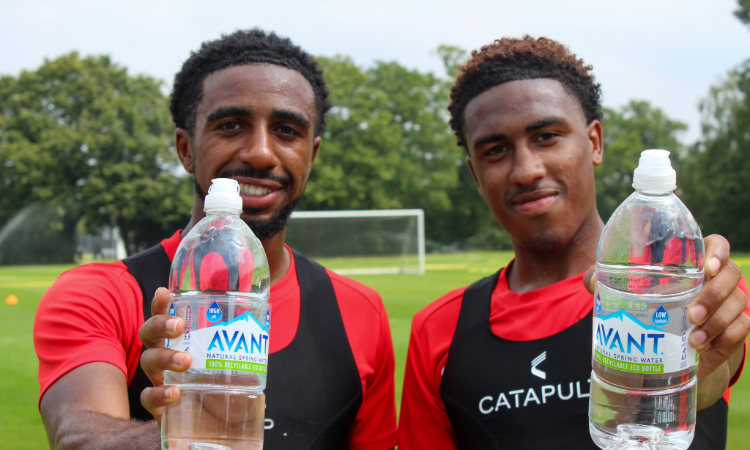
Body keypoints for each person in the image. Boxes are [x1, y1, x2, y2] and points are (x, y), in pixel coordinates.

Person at [34, 29, 398, 450]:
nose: (261, 153)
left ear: (311, 155)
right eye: (230, 125)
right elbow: (79, 436)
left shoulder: (360, 311)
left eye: (286, 130)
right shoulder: (99, 295)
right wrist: (191, 427)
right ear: (185, 148)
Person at [397, 36, 750, 449]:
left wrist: (700, 367)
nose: (526, 170)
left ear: (594, 142)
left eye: (546, 136)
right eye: (496, 150)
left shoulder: (686, 291)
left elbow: (713, 373)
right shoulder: (439, 329)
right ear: (476, 175)